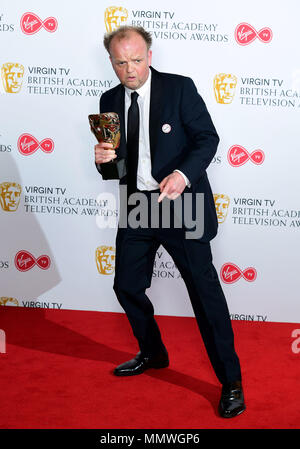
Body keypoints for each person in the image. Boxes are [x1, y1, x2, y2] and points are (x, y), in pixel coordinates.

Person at [94, 25, 245, 418]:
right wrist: (105, 163)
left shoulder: (179, 89)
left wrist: (182, 174)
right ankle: (153, 353)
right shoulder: (109, 100)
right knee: (126, 286)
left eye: (137, 59)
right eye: (121, 62)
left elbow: (207, 139)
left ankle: (231, 382)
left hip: (183, 204)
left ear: (150, 54)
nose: (130, 69)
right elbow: (117, 171)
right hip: (139, 206)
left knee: (205, 295)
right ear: (111, 62)